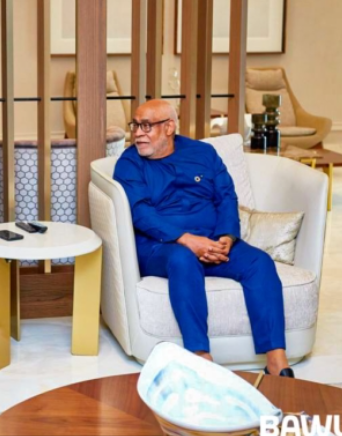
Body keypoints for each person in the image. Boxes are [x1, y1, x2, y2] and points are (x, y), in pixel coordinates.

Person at [113, 99, 293, 378]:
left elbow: (226, 196)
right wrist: (187, 240)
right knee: (183, 259)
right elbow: (140, 214)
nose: (137, 133)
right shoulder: (129, 164)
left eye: (146, 126)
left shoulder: (203, 153)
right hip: (160, 247)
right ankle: (200, 356)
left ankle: (276, 359)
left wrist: (227, 238)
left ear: (169, 127)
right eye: (135, 125)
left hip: (213, 241)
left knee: (259, 262)